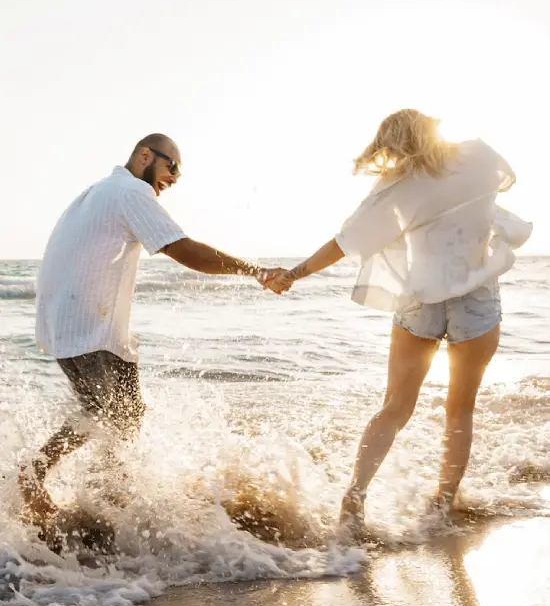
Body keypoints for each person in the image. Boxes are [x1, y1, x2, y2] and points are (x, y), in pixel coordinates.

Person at [263, 110, 532, 538]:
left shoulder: (396, 187)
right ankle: (443, 503)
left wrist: (294, 274)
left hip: (420, 301)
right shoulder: (480, 156)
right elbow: (504, 181)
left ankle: (355, 495)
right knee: (460, 410)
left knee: (394, 408)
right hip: (477, 301)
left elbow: (345, 242)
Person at [21, 133, 278, 550]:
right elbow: (187, 252)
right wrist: (255, 270)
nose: (174, 177)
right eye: (170, 165)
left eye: (179, 170)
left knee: (125, 416)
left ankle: (109, 494)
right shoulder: (131, 191)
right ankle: (35, 474)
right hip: (85, 325)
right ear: (144, 156)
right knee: (105, 412)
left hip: (82, 323)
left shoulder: (101, 190)